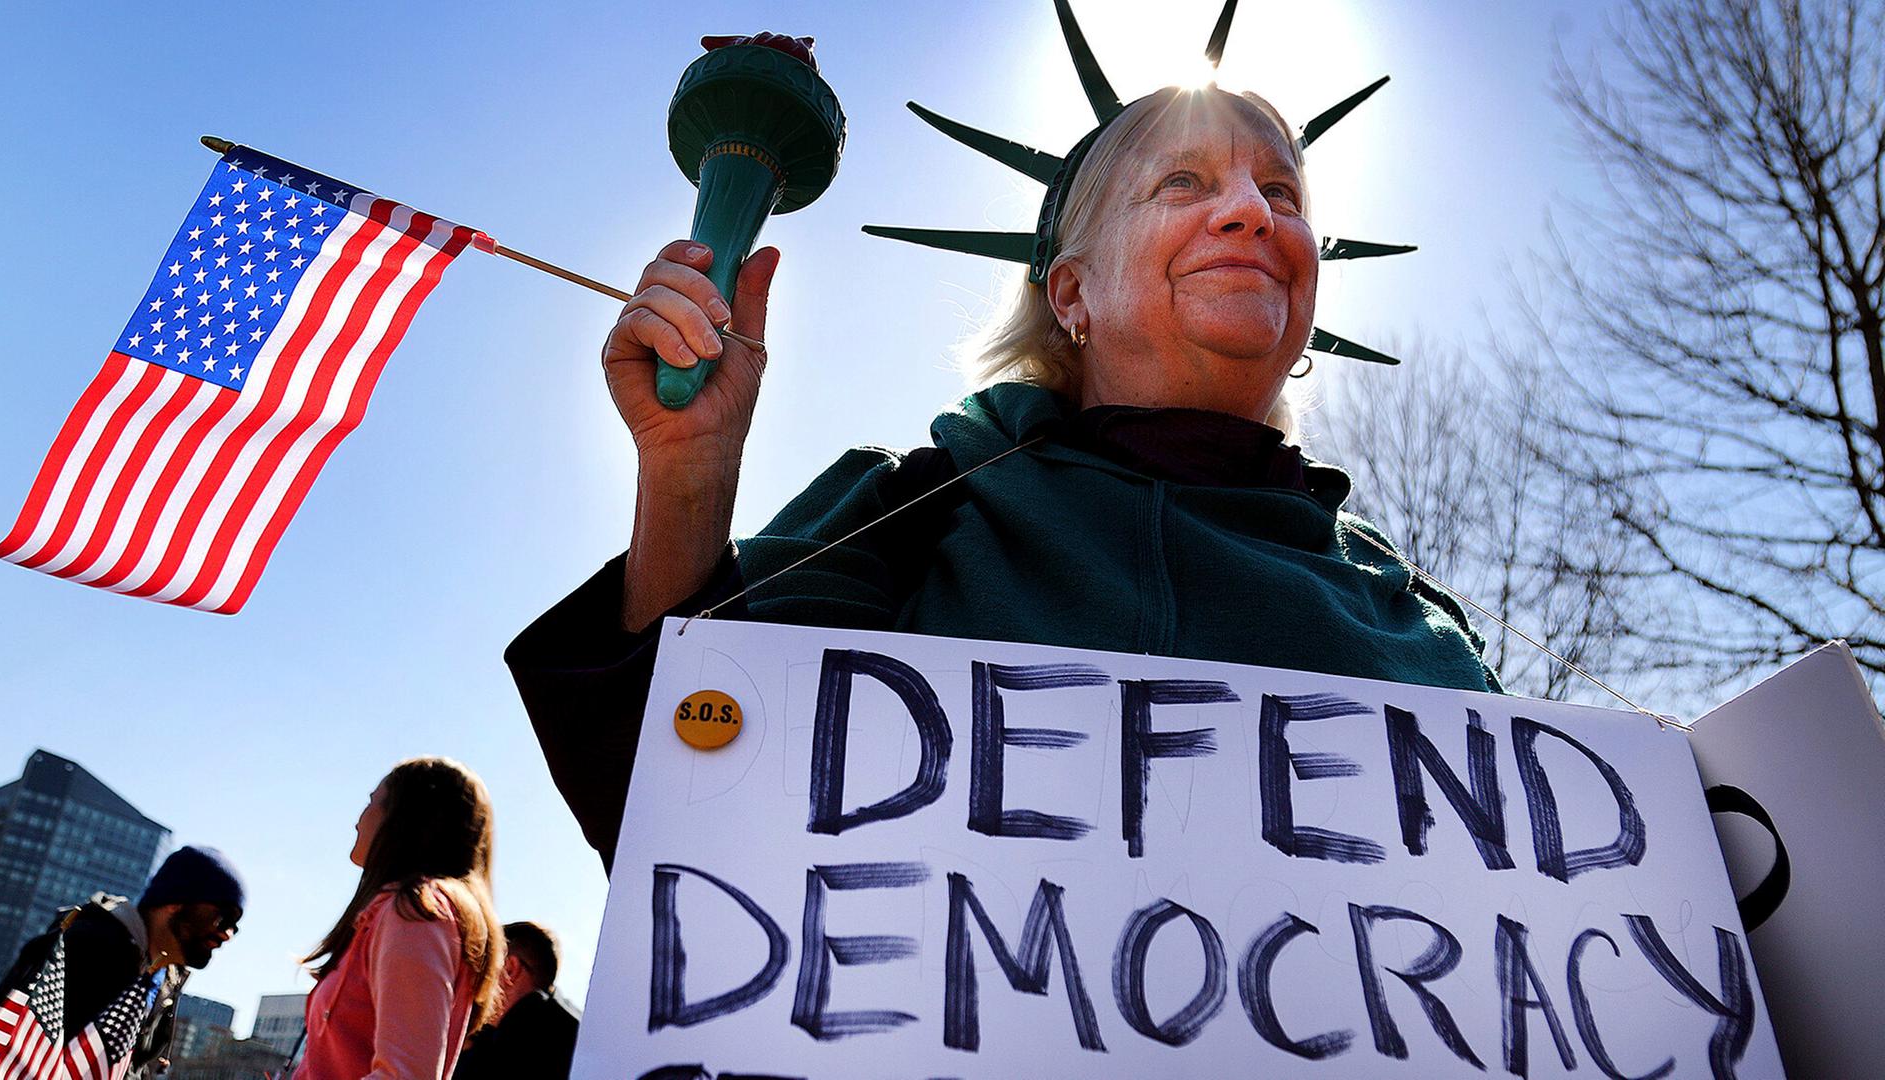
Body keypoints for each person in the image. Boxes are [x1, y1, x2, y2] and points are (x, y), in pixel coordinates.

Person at [508, 26, 1501, 869]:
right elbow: (683, 797)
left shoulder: (1405, 599)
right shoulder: (918, 506)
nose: (1253, 211)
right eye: (1184, 181)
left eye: (1284, 194)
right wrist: (689, 472)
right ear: (1069, 293)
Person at [295, 757, 504, 1080]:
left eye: (371, 802)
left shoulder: (417, 914)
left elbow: (405, 1075)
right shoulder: (401, 913)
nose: (358, 820)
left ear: (405, 818)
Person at [0, 845, 243, 1079]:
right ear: (176, 901)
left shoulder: (164, 982)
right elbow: (4, 1048)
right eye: (222, 918)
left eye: (235, 925)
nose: (227, 934)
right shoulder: (84, 947)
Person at [451, 921, 580, 1080]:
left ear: (509, 969)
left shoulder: (526, 1036)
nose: (471, 978)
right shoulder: (572, 1031)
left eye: (482, 964)